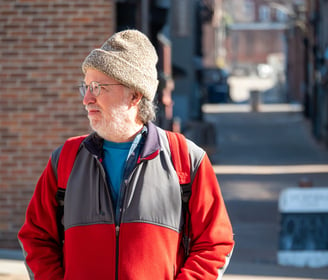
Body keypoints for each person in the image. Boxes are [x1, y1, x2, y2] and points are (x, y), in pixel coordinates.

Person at [18, 29, 234, 280]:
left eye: (98, 87)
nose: (86, 99)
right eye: (85, 87)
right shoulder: (65, 159)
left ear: (134, 95)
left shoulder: (187, 159)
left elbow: (214, 244)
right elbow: (36, 237)